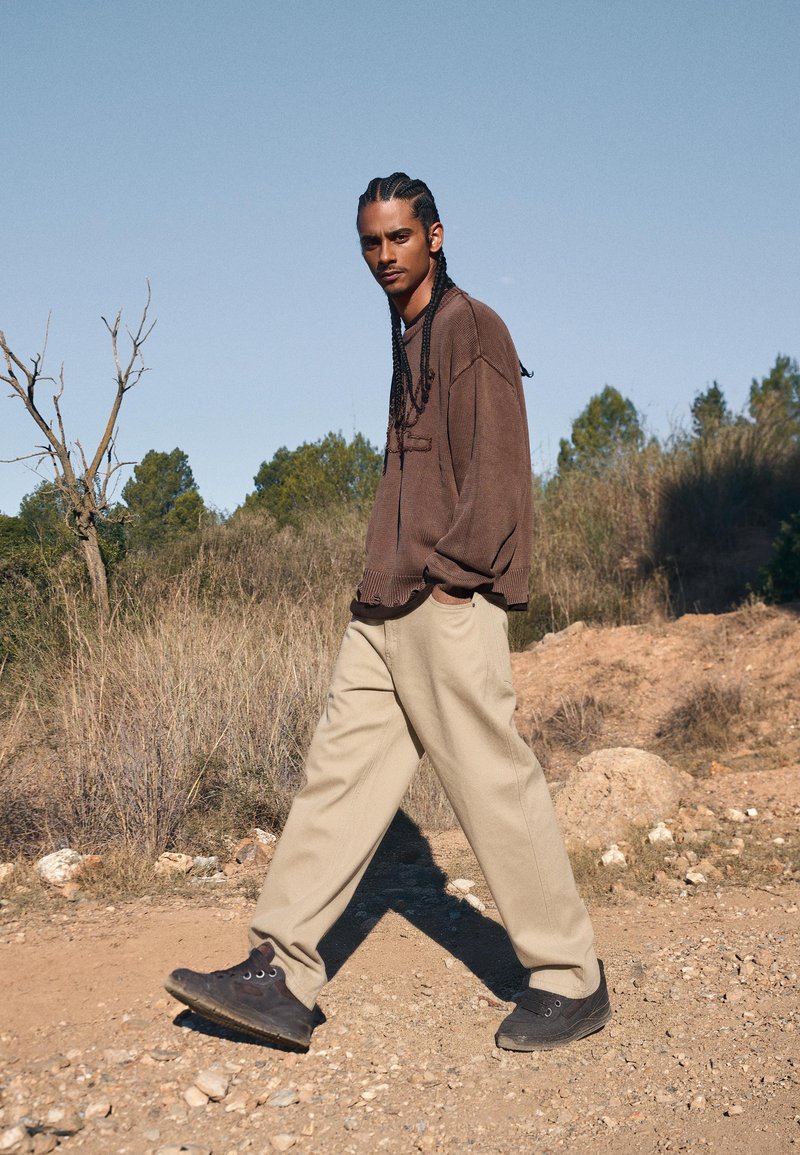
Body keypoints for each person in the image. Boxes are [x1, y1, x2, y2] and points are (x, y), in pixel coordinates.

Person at [165, 172, 610, 1052]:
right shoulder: (409, 333)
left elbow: (499, 471)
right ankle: (280, 973)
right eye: (370, 242)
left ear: (435, 237)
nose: (382, 256)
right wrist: (388, 582)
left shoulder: (470, 327)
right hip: (385, 604)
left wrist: (455, 578)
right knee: (336, 779)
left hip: (447, 597)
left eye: (398, 238)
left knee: (491, 782)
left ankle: (572, 978)